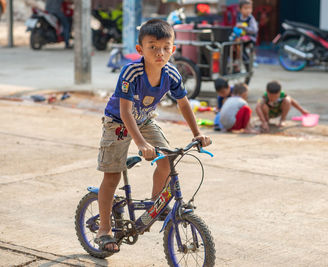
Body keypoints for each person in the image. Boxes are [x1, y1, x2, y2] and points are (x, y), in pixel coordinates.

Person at [95, 19, 211, 253]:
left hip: (145, 119)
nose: (160, 53)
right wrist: (141, 143)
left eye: (166, 47)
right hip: (117, 122)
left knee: (167, 159)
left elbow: (184, 104)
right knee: (112, 177)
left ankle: (155, 203)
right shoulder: (131, 72)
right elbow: (125, 112)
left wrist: (197, 133)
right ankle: (104, 230)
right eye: (153, 47)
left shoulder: (171, 73)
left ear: (173, 49)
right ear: (140, 50)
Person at [235, 0, 258, 65]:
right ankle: (238, 60)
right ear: (240, 9)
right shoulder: (239, 17)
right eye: (245, 8)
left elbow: (254, 30)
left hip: (251, 37)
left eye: (250, 8)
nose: (248, 10)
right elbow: (237, 26)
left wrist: (244, 27)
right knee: (234, 43)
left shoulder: (251, 19)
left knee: (239, 43)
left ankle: (246, 59)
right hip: (242, 36)